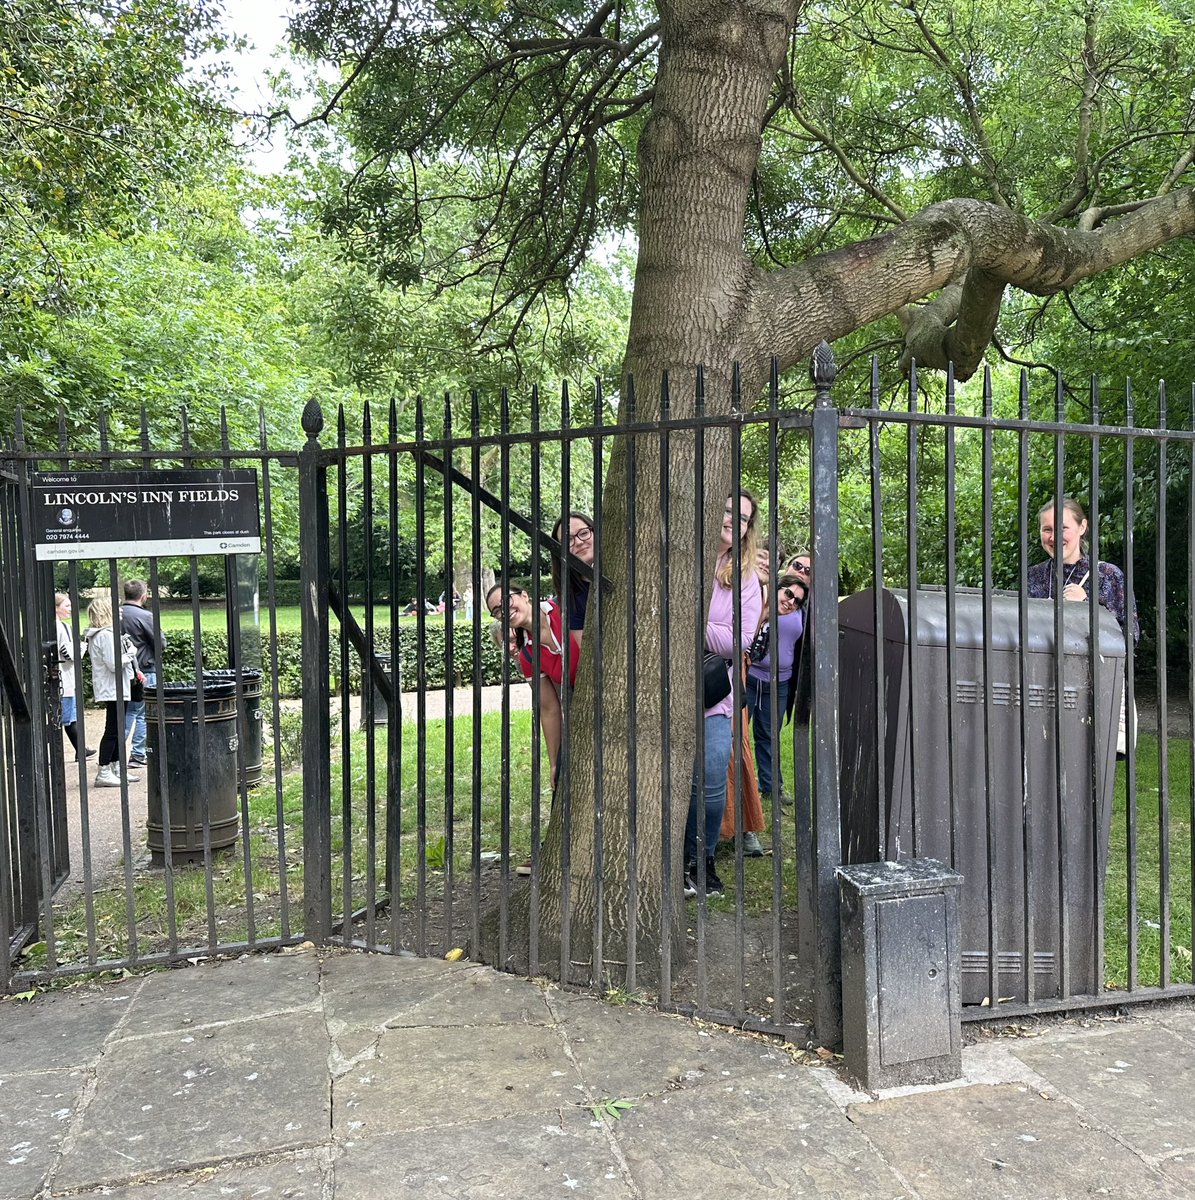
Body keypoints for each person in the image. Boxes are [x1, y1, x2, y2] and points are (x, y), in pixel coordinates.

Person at [685, 490, 762, 898]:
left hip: (713, 693)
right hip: (663, 687)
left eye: (743, 517)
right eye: (728, 509)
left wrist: (689, 622)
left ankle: (703, 860)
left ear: (749, 529)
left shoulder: (745, 577)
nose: (734, 519)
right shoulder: (682, 554)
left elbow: (741, 640)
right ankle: (676, 862)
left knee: (712, 780)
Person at [745, 570, 807, 811]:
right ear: (779, 588)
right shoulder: (761, 601)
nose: (791, 601)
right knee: (737, 735)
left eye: (797, 600)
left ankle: (771, 787)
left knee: (769, 735)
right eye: (789, 593)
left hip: (779, 684)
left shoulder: (802, 614)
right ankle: (740, 787)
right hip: (750, 678)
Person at [84, 595, 140, 788]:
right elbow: (114, 664)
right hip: (113, 687)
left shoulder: (106, 634)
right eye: (116, 608)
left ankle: (116, 768)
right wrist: (130, 654)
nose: (121, 610)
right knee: (113, 730)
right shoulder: (106, 635)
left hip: (115, 687)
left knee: (117, 728)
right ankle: (104, 769)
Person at [120, 579, 164, 767]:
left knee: (125, 711)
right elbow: (160, 643)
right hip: (144, 669)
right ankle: (138, 754)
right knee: (142, 713)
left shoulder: (116, 615)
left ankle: (115, 752)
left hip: (120, 670)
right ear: (144, 595)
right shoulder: (145, 616)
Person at [54, 593, 94, 761]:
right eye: (66, 606)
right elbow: (68, 654)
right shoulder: (63, 628)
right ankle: (79, 749)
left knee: (69, 717)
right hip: (65, 678)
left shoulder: (50, 626)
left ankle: (80, 748)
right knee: (67, 717)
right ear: (56, 608)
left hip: (61, 676)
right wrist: (82, 646)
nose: (70, 609)